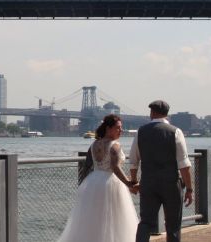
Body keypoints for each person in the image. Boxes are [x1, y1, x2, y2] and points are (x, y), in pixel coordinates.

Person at [57, 114, 139, 242]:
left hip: (93, 182)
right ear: (108, 128)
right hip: (111, 183)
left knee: (93, 218)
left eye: (121, 128)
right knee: (114, 218)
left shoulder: (94, 144)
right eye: (118, 128)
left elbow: (87, 166)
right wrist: (128, 183)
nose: (121, 130)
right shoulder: (115, 145)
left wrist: (82, 183)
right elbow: (115, 168)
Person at [128, 100, 193, 242]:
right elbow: (184, 165)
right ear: (167, 114)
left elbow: (133, 161)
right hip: (170, 183)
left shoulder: (141, 132)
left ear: (152, 113)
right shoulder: (175, 132)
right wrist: (189, 189)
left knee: (145, 222)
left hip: (148, 183)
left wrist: (134, 181)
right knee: (173, 225)